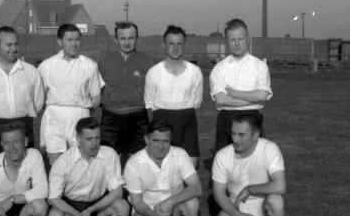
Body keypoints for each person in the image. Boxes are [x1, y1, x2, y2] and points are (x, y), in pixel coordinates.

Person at [211, 113, 289, 216]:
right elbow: (218, 193)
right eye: (233, 134)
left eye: (241, 135)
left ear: (256, 135)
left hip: (263, 201)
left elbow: (280, 185)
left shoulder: (269, 149)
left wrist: (250, 189)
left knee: (276, 200)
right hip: (237, 202)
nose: (235, 139)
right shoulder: (223, 155)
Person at [124, 119, 203, 216]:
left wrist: (170, 203)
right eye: (156, 140)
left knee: (192, 203)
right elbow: (137, 202)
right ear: (146, 139)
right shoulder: (133, 164)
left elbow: (196, 187)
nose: (161, 146)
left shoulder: (180, 154)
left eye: (165, 141)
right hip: (148, 210)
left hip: (175, 207)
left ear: (170, 140)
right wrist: (156, 215)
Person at [47, 117, 129, 216]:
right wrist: (76, 214)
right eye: (89, 139)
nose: (94, 143)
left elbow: (117, 192)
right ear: (78, 139)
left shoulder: (109, 154)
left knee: (123, 207)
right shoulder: (63, 161)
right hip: (71, 205)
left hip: (97, 205)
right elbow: (53, 198)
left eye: (97, 138)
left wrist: (90, 210)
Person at [0, 26, 45, 164]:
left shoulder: (30, 71)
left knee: (25, 173)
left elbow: (38, 101)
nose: (14, 48)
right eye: (8, 45)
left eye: (16, 44)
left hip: (23, 126)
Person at [38, 24, 104, 166]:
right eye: (69, 40)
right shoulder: (46, 66)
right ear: (59, 42)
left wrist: (84, 111)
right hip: (54, 116)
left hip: (80, 114)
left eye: (77, 39)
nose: (74, 44)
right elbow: (39, 98)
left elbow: (96, 98)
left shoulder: (90, 65)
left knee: (81, 160)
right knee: (55, 161)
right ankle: (57, 188)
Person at [209, 18, 272, 156]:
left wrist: (235, 93)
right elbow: (221, 100)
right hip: (226, 120)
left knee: (255, 165)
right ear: (227, 42)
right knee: (224, 165)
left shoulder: (260, 66)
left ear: (247, 39)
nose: (237, 43)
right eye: (232, 40)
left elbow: (261, 95)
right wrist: (253, 99)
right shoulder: (219, 69)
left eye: (240, 39)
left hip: (252, 118)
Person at [144, 25, 203, 169]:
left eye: (179, 44)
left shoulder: (195, 72)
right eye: (171, 44)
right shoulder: (154, 72)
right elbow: (149, 104)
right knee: (162, 166)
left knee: (189, 165)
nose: (175, 48)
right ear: (164, 45)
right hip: (162, 119)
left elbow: (196, 101)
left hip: (187, 120)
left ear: (184, 45)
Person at [97, 21, 155, 167]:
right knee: (109, 157)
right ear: (116, 40)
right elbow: (95, 89)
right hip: (111, 117)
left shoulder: (148, 62)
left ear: (137, 38)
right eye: (123, 38)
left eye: (131, 38)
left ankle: (133, 188)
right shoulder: (104, 62)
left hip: (138, 117)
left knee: (137, 158)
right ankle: (111, 189)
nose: (127, 42)